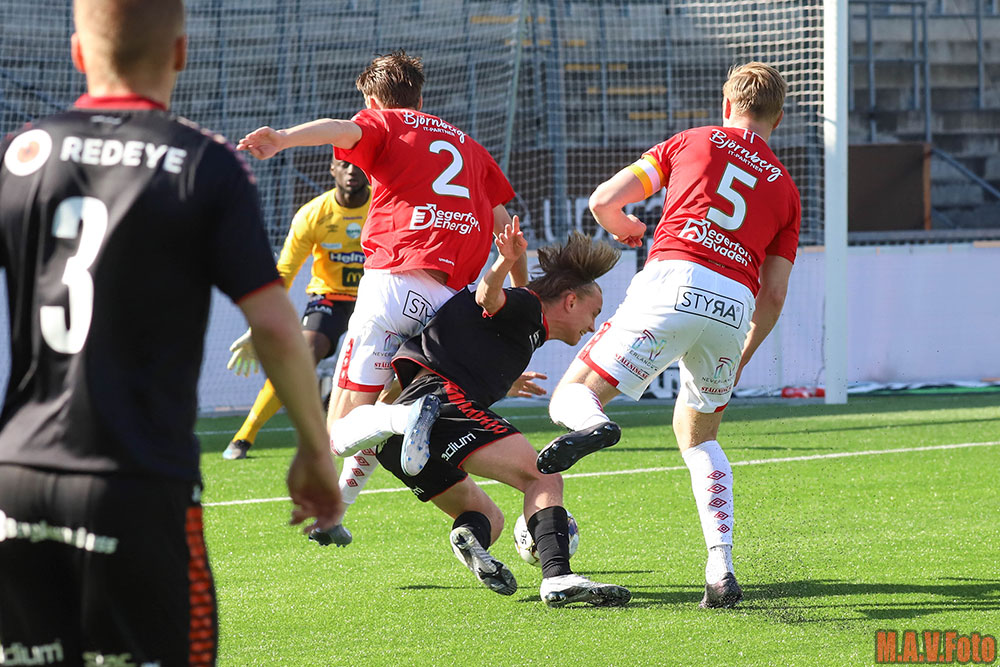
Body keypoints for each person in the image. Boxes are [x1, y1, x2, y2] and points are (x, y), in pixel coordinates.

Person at [0, 1, 342, 664]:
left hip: (17, 479)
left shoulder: (23, 153)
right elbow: (276, 325)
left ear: (77, 52)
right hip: (137, 482)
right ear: (181, 52)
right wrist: (313, 448)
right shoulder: (202, 162)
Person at [537, 62, 801, 609]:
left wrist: (629, 228)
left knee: (571, 395)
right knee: (700, 437)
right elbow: (774, 296)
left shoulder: (692, 141)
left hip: (674, 280)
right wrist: (742, 354)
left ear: (727, 105)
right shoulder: (787, 189)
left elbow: (603, 201)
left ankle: (595, 424)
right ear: (778, 118)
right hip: (734, 304)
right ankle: (720, 567)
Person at [237, 50, 528, 543]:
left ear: (372, 101)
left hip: (393, 284)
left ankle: (406, 419)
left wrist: (283, 138)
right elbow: (507, 229)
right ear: (421, 98)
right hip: (449, 303)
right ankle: (338, 510)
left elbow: (340, 129)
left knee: (343, 429)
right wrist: (517, 298)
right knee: (384, 409)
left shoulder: (384, 123)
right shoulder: (471, 147)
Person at [327, 220, 632, 608]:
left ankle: (469, 537)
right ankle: (558, 575)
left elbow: (467, 338)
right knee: (543, 476)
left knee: (487, 515)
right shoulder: (528, 307)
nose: (592, 326)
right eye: (594, 312)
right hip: (440, 407)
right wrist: (504, 261)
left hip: (405, 437)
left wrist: (506, 382)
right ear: (570, 301)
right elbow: (488, 297)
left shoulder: (524, 329)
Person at [223, 155, 371, 462]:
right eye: (344, 164)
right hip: (330, 298)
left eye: (357, 164)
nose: (351, 171)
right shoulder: (313, 214)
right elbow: (285, 271)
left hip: (374, 297)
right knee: (300, 355)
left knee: (398, 361)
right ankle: (244, 436)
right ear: (332, 169)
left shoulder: (383, 206)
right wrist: (259, 322)